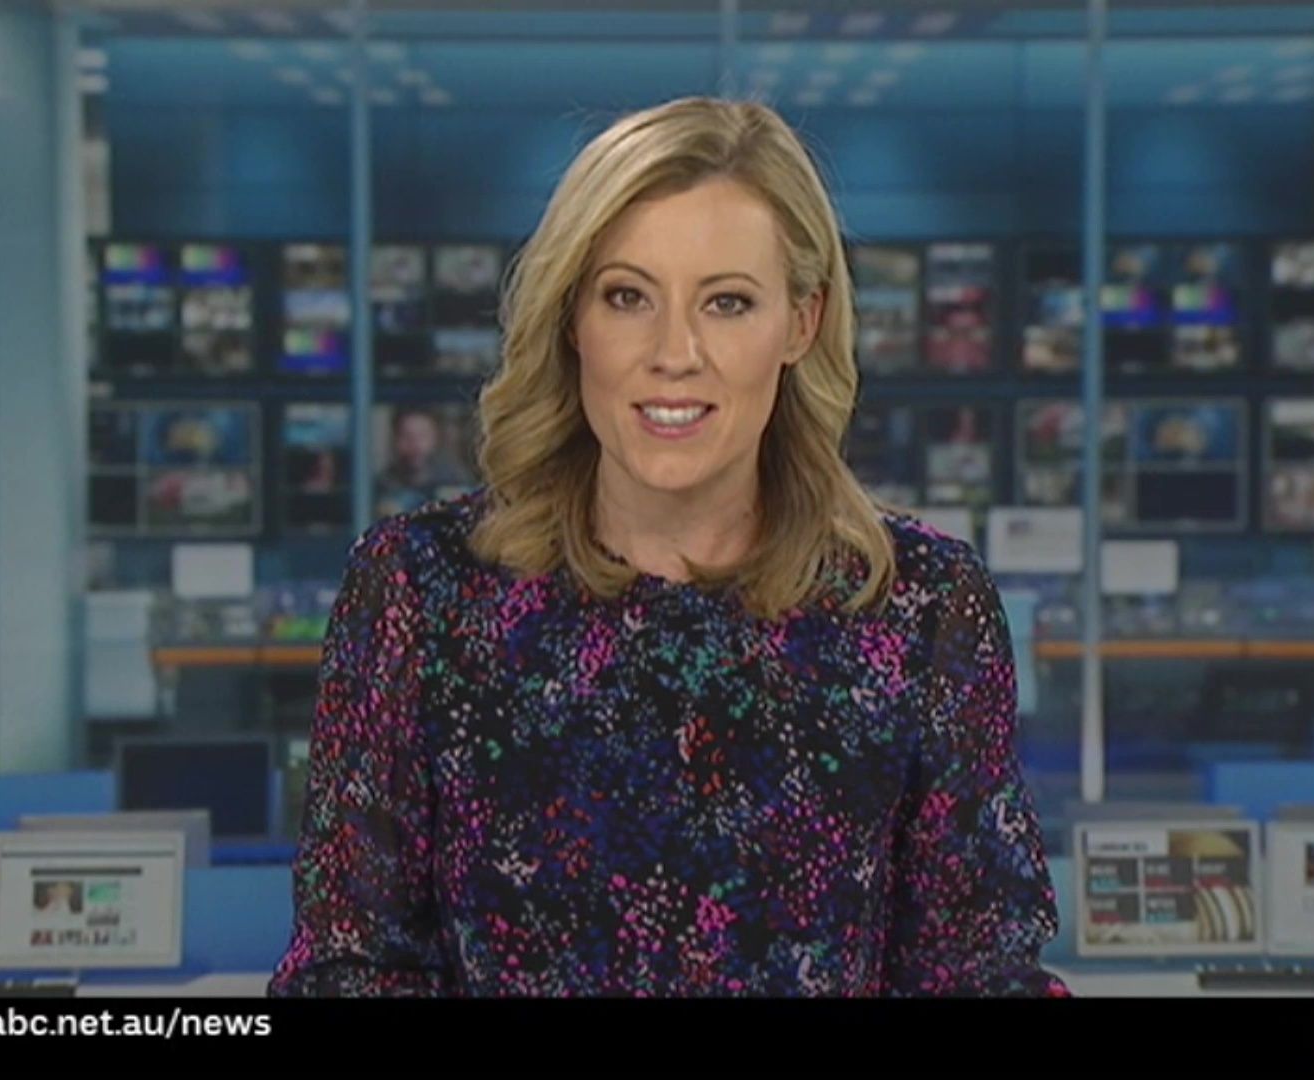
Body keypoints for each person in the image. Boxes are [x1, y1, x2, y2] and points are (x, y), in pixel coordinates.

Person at [271, 97, 1067, 998]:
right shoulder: (420, 592)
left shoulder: (921, 607)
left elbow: (978, 973)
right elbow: (348, 967)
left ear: (801, 323)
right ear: (572, 318)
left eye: (727, 303)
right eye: (628, 297)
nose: (675, 353)